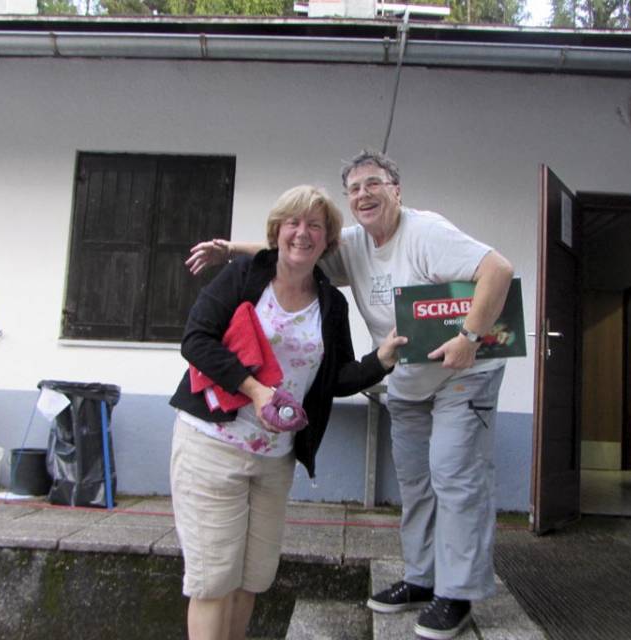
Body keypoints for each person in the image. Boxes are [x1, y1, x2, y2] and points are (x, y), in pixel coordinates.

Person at [187, 150, 513, 640]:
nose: (364, 194)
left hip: (464, 371)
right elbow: (296, 248)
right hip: (410, 376)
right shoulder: (356, 245)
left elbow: (499, 269)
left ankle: (458, 593)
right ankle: (422, 579)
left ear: (396, 190)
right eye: (355, 188)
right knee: (415, 481)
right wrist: (231, 250)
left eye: (373, 183)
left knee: (453, 475)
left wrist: (470, 337)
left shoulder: (426, 233)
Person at [170, 184, 406, 640]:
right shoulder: (244, 276)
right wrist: (254, 389)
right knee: (213, 581)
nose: (303, 233)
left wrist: (381, 360)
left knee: (252, 579)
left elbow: (336, 378)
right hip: (212, 448)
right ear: (276, 231)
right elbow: (195, 340)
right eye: (293, 223)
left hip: (275, 459)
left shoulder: (331, 303)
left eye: (315, 225)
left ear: (328, 240)